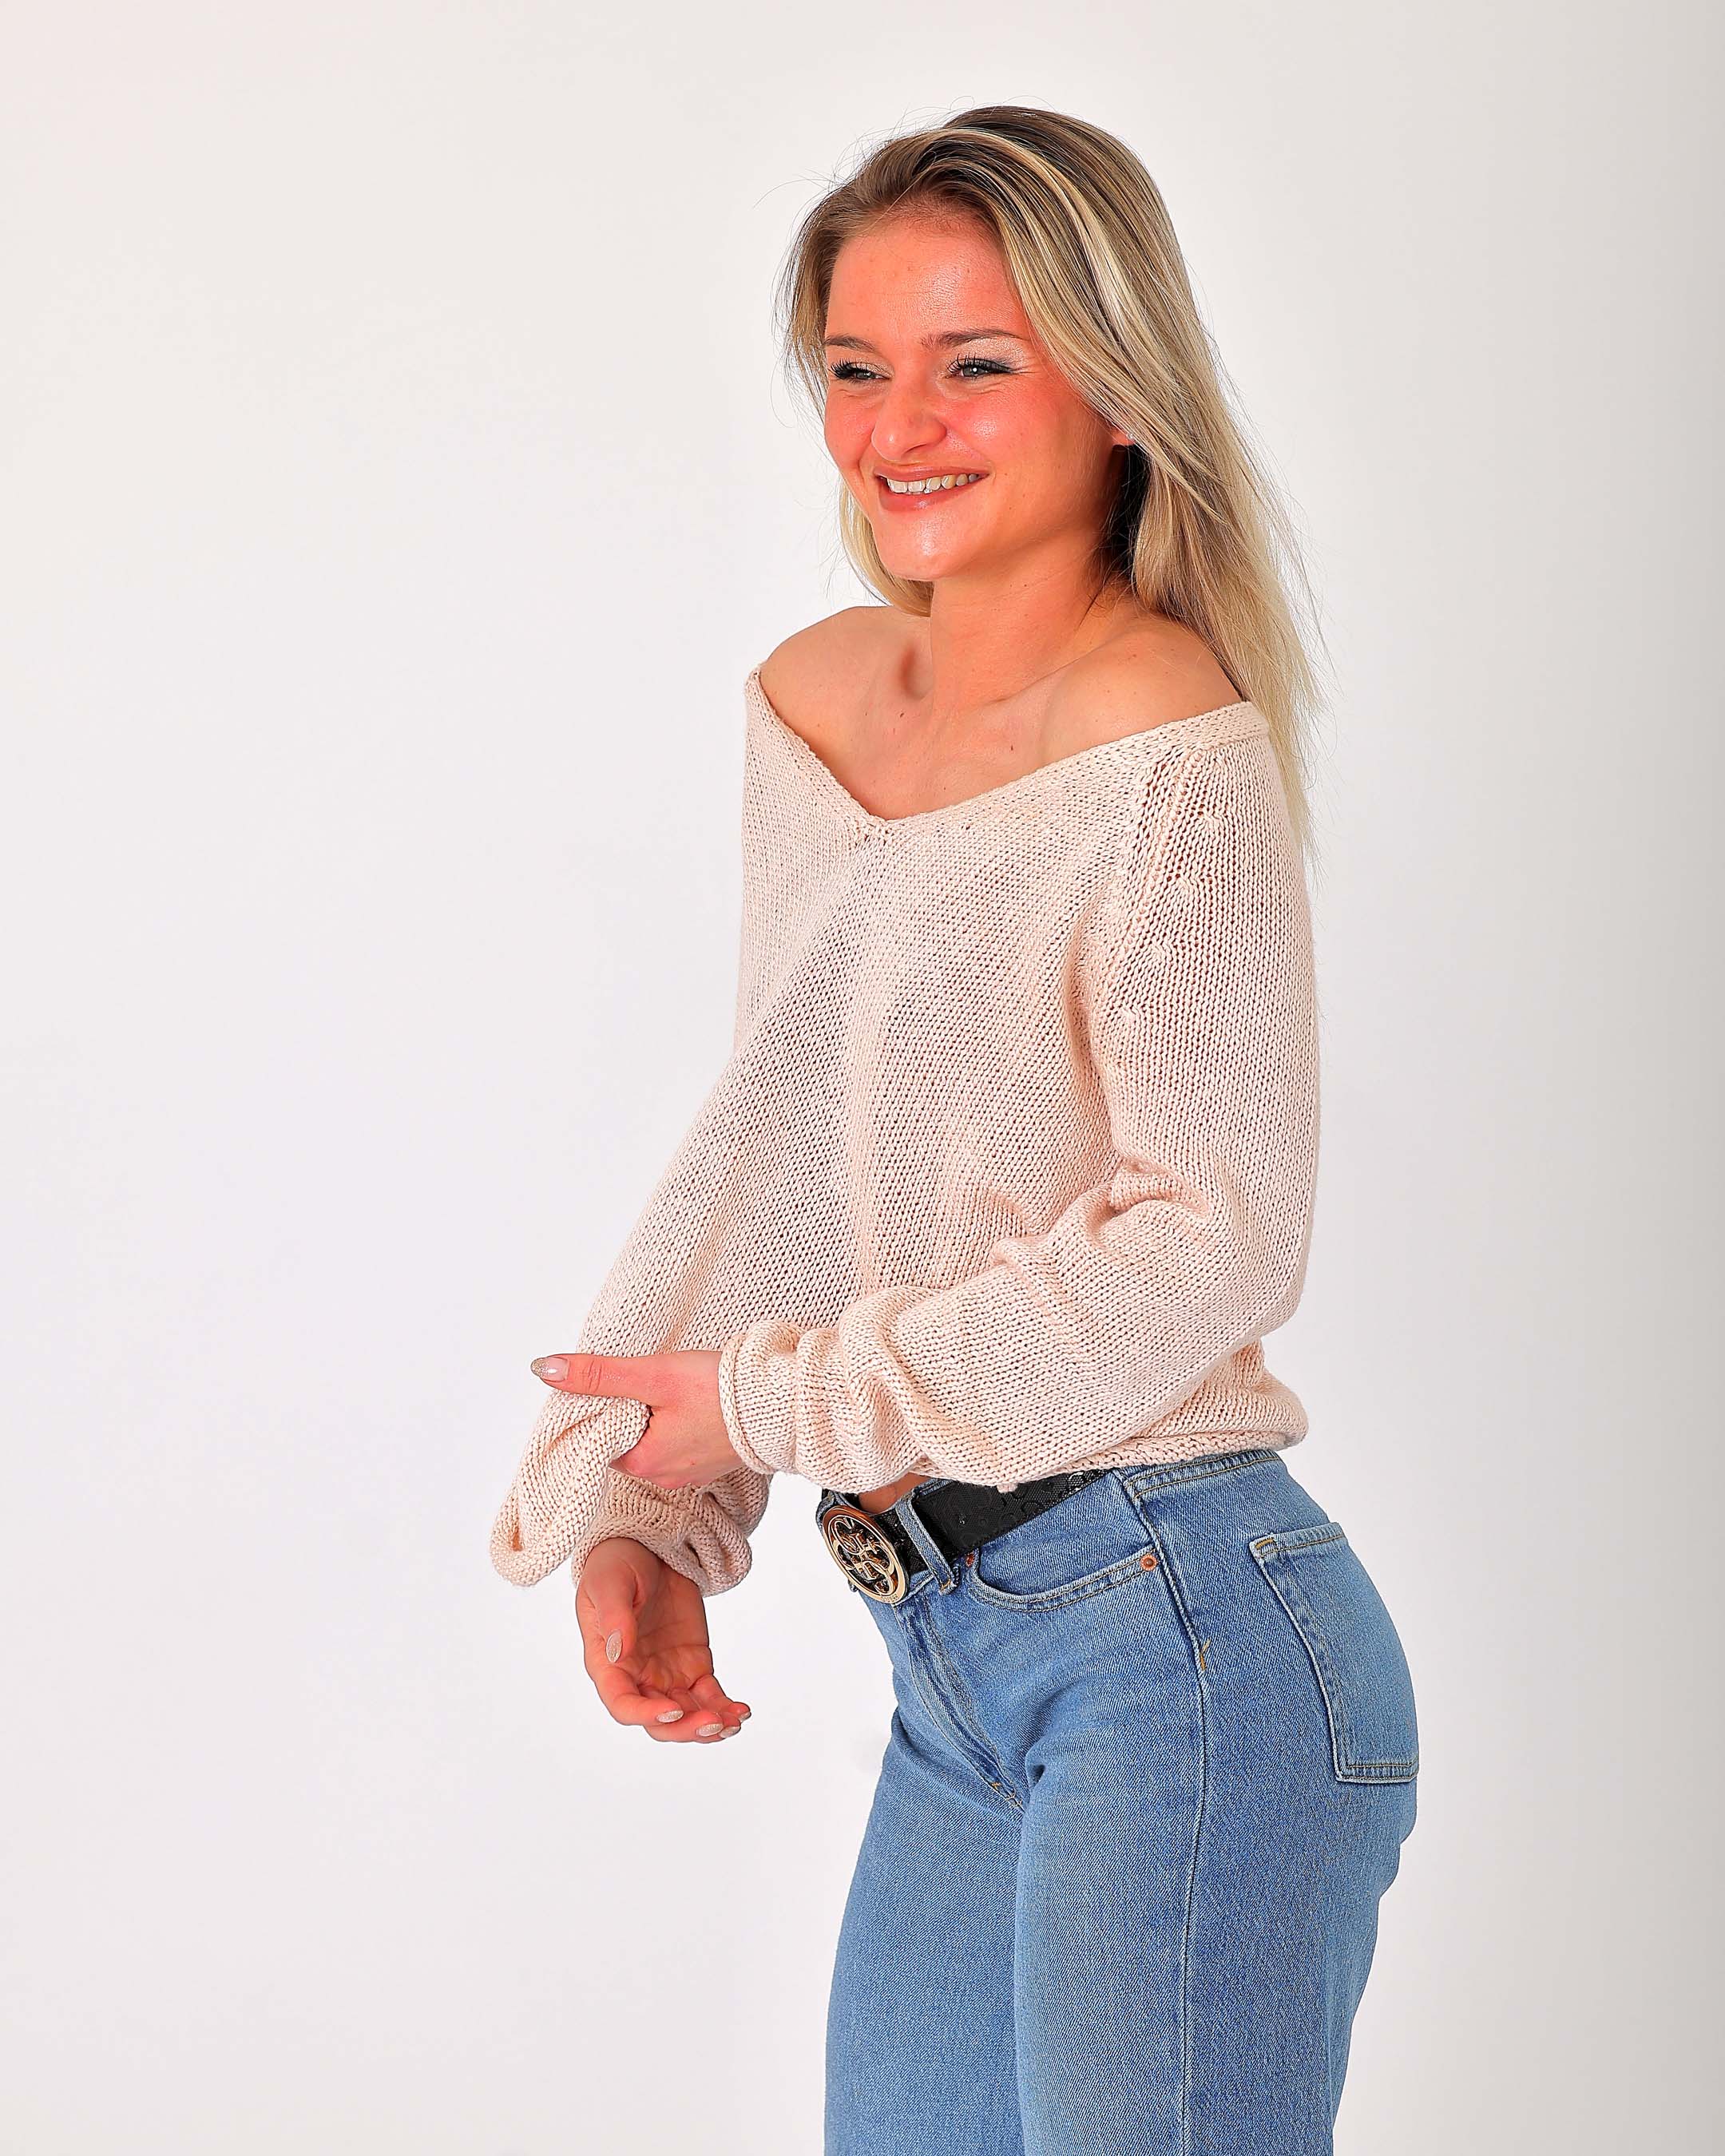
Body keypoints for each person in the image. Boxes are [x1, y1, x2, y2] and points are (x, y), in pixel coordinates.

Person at [491, 104, 1420, 2156]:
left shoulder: (1161, 735)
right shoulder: (816, 702)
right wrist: (655, 1507)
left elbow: (1211, 1238)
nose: (899, 427)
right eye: (855, 366)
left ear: (1118, 391)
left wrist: (767, 1403)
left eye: (973, 363)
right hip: (950, 1652)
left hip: (1181, 1636)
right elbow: (799, 1155)